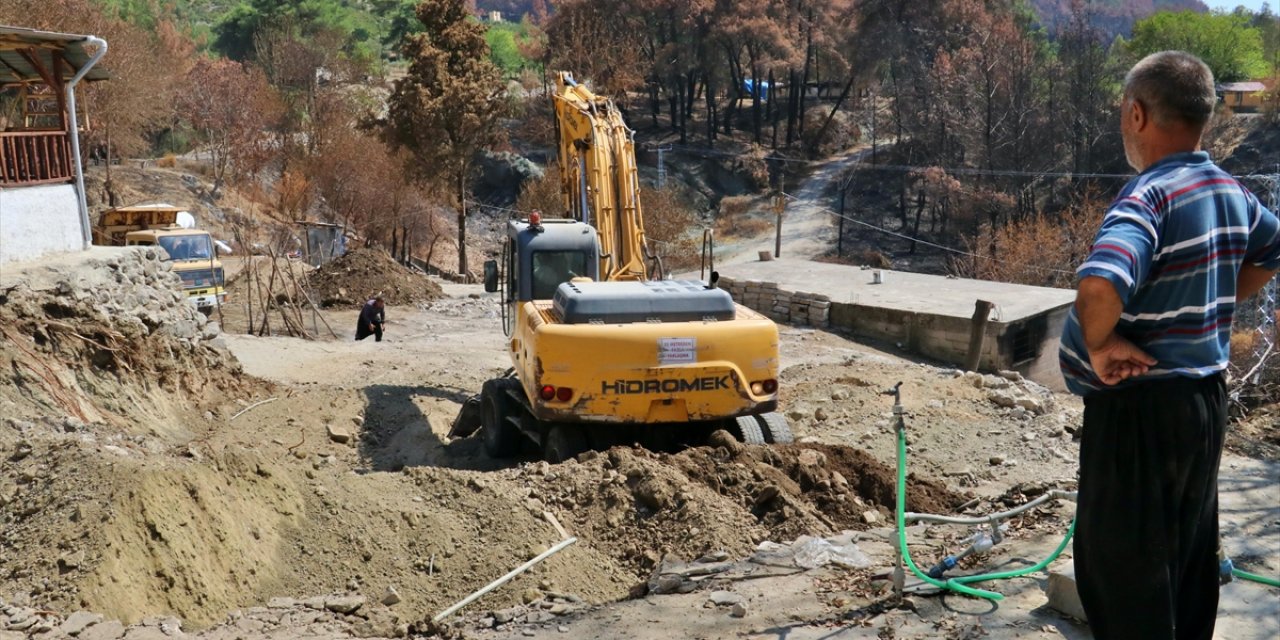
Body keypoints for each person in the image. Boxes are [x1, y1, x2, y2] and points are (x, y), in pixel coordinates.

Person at [1058, 51, 1280, 640]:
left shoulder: (1147, 197)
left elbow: (1101, 282)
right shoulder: (1229, 190)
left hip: (1138, 414)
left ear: (1136, 114)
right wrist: (1218, 296)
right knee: (1184, 564)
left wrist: (1102, 344)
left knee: (1124, 579)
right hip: (1204, 407)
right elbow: (1271, 249)